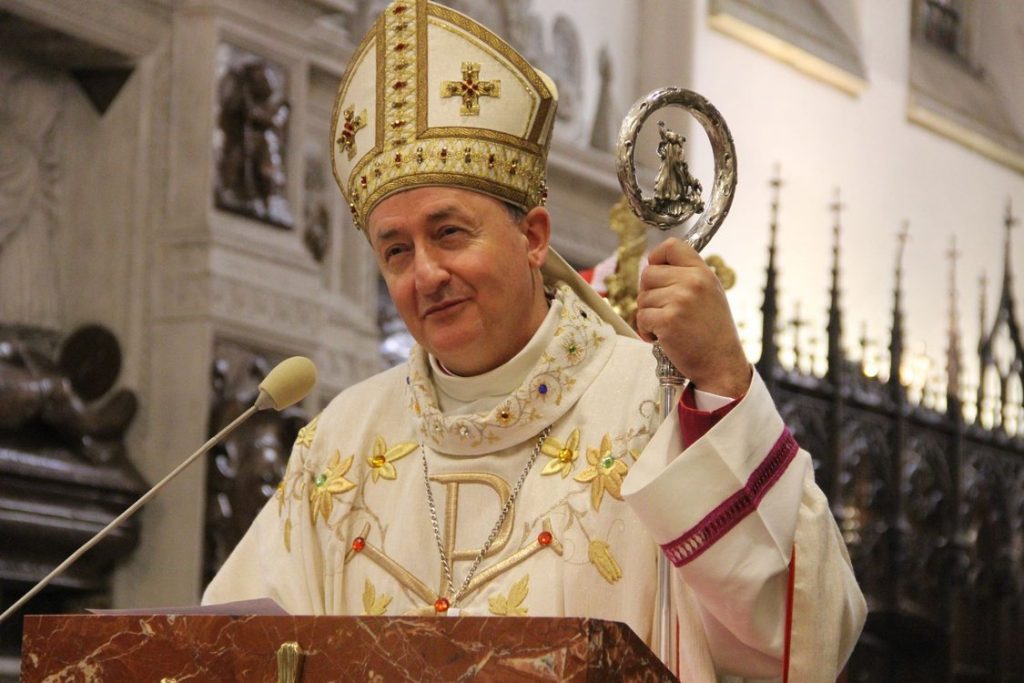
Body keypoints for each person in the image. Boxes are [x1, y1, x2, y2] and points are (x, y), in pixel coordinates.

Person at [203, 1, 866, 680]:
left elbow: (809, 629)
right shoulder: (341, 442)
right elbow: (227, 652)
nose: (426, 273)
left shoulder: (655, 406)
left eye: (449, 233)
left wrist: (724, 381)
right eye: (396, 250)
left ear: (533, 237)